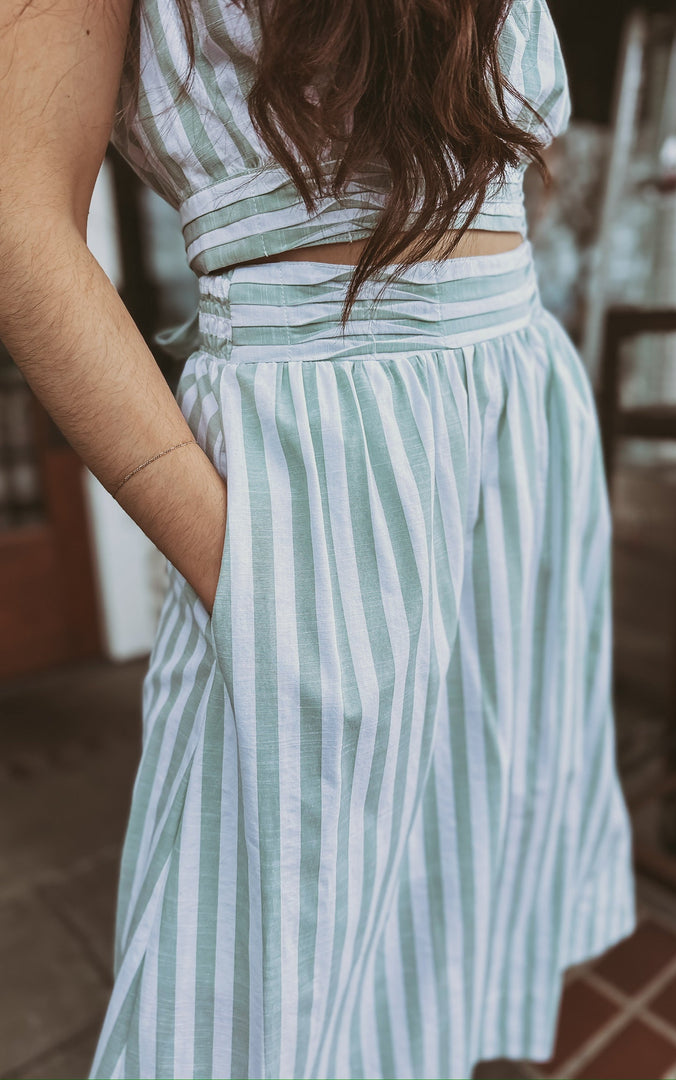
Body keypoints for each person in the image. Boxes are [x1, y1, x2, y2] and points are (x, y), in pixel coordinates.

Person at [0, 0, 638, 1076]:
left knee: (452, 888)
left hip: (509, 428)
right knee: (260, 986)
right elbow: (20, 223)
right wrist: (235, 569)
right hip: (321, 467)